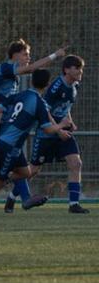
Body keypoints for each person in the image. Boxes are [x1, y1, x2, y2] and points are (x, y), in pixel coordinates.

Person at [0, 69, 71, 216]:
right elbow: (48, 130)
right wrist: (62, 125)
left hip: (12, 145)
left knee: (26, 172)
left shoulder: (21, 95)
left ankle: (0, 186)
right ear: (48, 85)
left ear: (31, 81)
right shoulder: (39, 103)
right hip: (9, 145)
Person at [0, 40, 66, 170]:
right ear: (14, 55)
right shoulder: (6, 68)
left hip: (5, 121)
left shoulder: (14, 73)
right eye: (25, 54)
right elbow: (32, 68)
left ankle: (18, 188)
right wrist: (55, 55)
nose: (29, 57)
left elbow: (33, 69)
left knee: (17, 160)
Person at [26, 55, 88, 214]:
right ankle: (13, 196)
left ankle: (74, 204)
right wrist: (58, 129)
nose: (81, 71)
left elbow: (66, 107)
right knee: (33, 170)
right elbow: (45, 112)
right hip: (48, 132)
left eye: (81, 68)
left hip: (63, 132)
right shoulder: (56, 87)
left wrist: (70, 121)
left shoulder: (75, 86)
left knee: (76, 163)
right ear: (67, 69)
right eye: (77, 67)